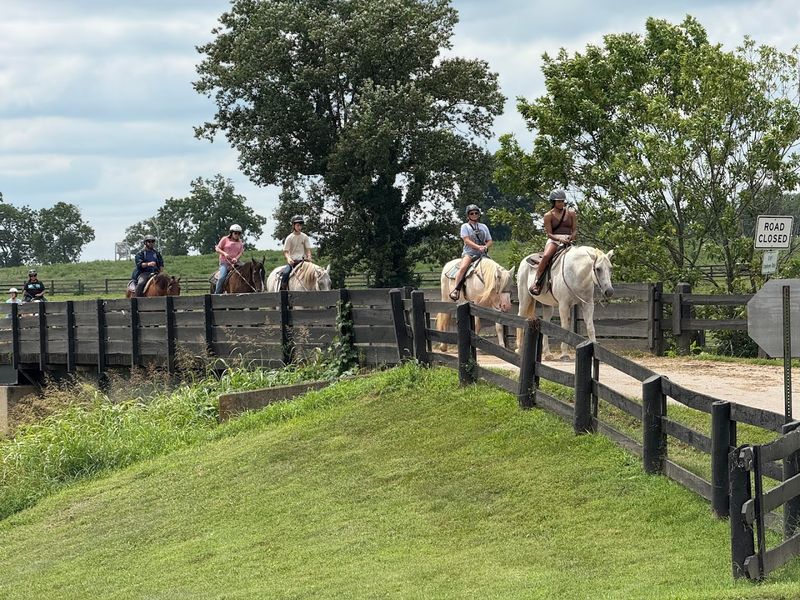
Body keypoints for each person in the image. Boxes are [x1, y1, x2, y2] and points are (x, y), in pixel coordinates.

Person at [529, 189, 578, 296]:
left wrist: (571, 237)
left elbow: (574, 230)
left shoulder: (571, 213)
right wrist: (560, 239)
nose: (561, 203)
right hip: (554, 240)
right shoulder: (548, 215)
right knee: (546, 256)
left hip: (568, 240)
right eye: (558, 201)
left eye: (562, 201)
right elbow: (549, 234)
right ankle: (537, 282)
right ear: (553, 202)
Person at [449, 204, 493, 301]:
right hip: (470, 253)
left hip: (483, 254)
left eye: (476, 213)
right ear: (468, 215)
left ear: (479, 214)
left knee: (494, 268)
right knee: (463, 267)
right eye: (471, 213)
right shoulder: (465, 226)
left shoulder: (483, 226)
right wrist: (478, 247)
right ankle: (456, 289)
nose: (474, 215)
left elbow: (490, 240)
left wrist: (485, 246)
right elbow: (466, 240)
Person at [280, 215, 312, 291]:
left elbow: (308, 249)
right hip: (293, 262)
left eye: (300, 225)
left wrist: (309, 256)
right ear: (293, 225)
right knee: (285, 273)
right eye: (297, 225)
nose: (299, 227)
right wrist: (289, 259)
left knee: (314, 272)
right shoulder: (289, 238)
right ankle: (282, 290)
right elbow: (286, 251)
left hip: (303, 262)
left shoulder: (305, 237)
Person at [214, 224, 245, 294]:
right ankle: (216, 294)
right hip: (225, 263)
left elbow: (241, 252)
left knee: (248, 270)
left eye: (239, 233)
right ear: (231, 233)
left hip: (236, 262)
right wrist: (224, 253)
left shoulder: (240, 242)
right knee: (222, 277)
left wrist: (236, 259)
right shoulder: (225, 239)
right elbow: (217, 248)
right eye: (235, 233)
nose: (237, 235)